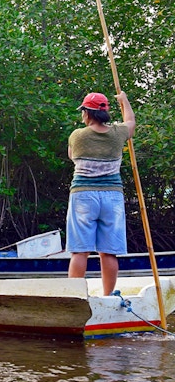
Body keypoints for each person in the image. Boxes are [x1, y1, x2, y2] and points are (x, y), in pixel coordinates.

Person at [66, 91, 136, 295]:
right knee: (109, 252)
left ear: (88, 113)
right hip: (111, 196)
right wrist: (124, 101)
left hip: (83, 195)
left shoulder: (77, 135)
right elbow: (130, 122)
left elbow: (72, 156)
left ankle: (75, 297)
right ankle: (107, 297)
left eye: (83, 112)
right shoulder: (118, 133)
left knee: (80, 250)